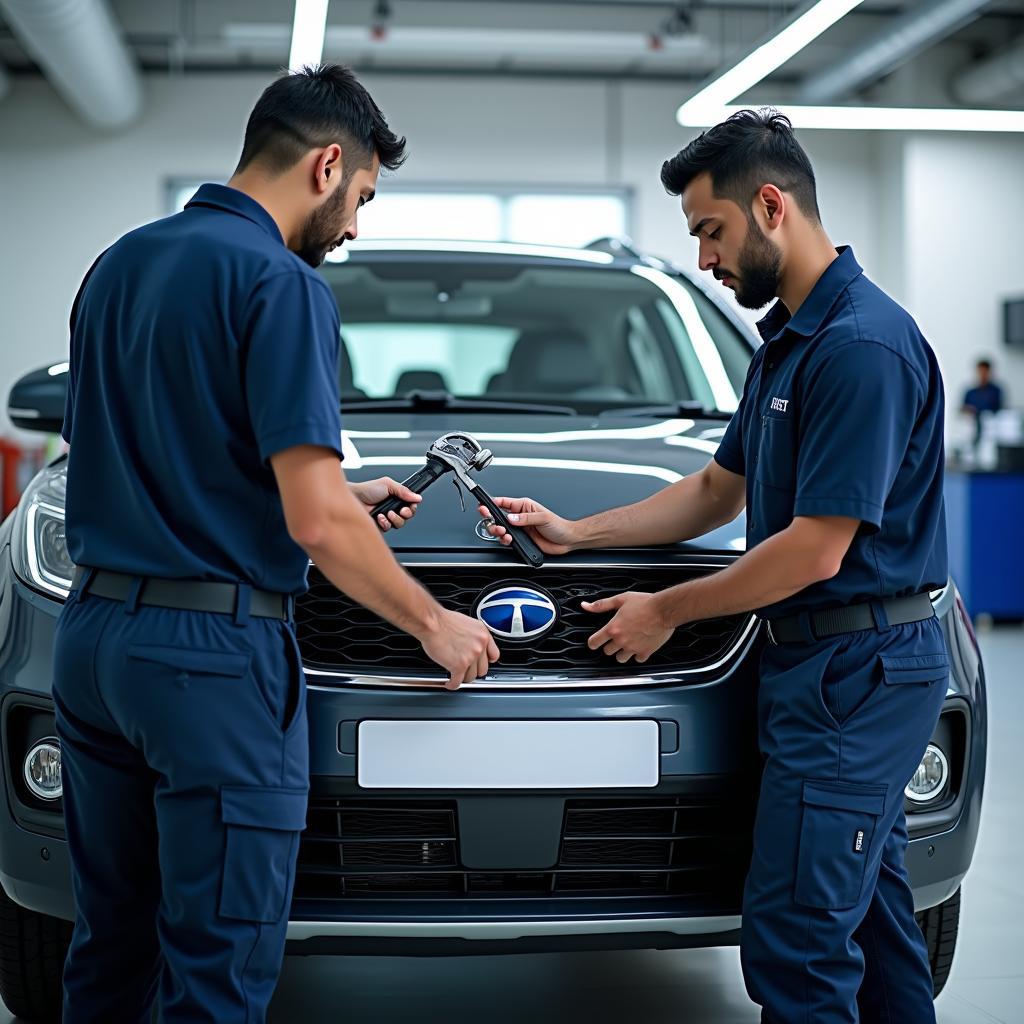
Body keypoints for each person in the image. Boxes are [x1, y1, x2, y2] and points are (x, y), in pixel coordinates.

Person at [54, 64, 498, 1024]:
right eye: (362, 199)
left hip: (93, 645)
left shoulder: (118, 264)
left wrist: (337, 486)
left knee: (111, 950)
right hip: (210, 667)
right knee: (217, 969)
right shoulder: (282, 284)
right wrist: (433, 623)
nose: (352, 227)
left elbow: (158, 451)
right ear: (327, 163)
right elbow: (313, 523)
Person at [484, 108, 949, 1023]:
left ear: (771, 205)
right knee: (880, 935)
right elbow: (715, 491)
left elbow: (817, 549)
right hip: (815, 667)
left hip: (857, 671)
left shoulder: (858, 348)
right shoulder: (790, 342)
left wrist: (668, 610)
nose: (704, 257)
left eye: (711, 230)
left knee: (796, 941)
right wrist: (579, 535)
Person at [961, 357, 1004, 443]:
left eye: (985, 372)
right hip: (971, 429)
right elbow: (963, 409)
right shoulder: (970, 392)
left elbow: (999, 410)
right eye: (980, 371)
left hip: (990, 430)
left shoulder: (996, 391)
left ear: (989, 372)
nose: (982, 374)